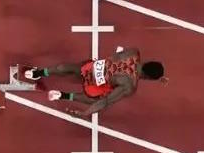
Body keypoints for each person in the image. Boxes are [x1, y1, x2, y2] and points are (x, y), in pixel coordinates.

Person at [22, 47, 164, 116]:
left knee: (65, 68)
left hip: (92, 67)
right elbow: (105, 102)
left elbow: (116, 55)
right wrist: (85, 114)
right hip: (95, 84)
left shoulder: (133, 52)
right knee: (94, 99)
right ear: (148, 78)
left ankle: (38, 73)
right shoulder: (129, 85)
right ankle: (63, 95)